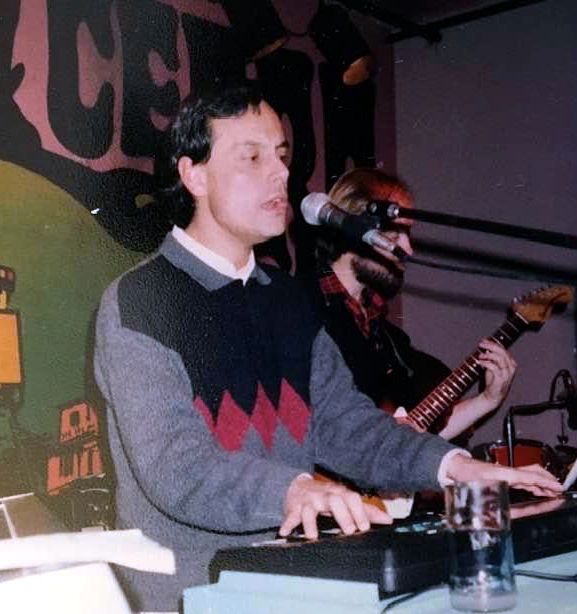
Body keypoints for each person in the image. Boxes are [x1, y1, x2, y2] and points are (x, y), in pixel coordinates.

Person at [94, 80, 561, 613]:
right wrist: (294, 489)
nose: (280, 173)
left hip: (295, 581)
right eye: (252, 157)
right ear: (193, 174)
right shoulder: (141, 300)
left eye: (281, 155)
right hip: (190, 595)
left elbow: (348, 426)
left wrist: (454, 467)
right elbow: (176, 466)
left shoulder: (290, 301)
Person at [307, 167, 517, 442]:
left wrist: (487, 399)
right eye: (394, 237)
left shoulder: (389, 340)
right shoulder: (300, 308)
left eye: (408, 235)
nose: (408, 250)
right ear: (351, 231)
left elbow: (414, 437)